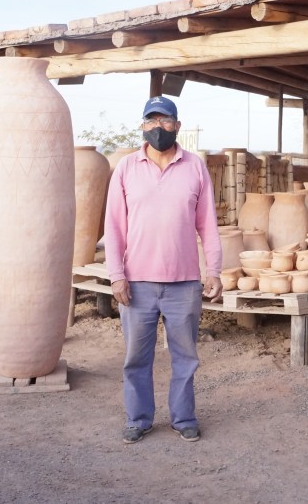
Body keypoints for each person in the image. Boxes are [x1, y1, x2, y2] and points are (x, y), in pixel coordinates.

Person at [105, 95, 223, 445]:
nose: (158, 127)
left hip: (184, 283)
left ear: (177, 125)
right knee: (135, 358)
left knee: (185, 357)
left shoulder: (195, 167)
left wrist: (214, 270)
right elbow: (114, 227)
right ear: (143, 126)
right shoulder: (126, 168)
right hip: (137, 283)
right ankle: (138, 419)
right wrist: (116, 275)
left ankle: (184, 417)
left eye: (165, 120)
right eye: (151, 121)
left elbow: (208, 224)